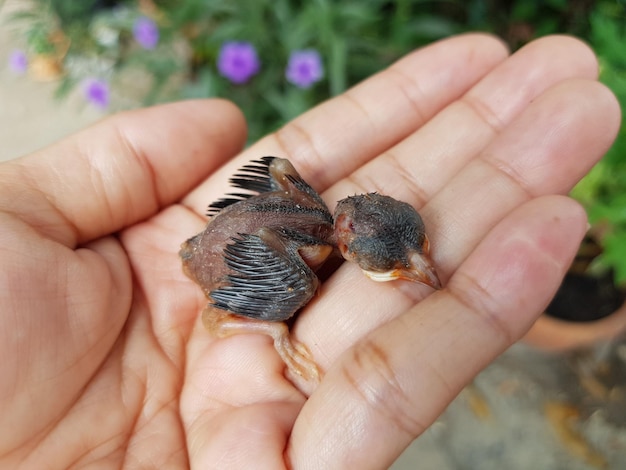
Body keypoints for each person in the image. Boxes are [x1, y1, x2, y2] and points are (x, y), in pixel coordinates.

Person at [0, 34, 619, 469]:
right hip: (218, 265)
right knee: (291, 293)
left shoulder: (321, 212)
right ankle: (249, 318)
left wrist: (312, 214)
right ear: (355, 246)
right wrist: (275, 327)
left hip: (237, 236)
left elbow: (277, 164)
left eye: (417, 252)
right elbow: (275, 201)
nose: (420, 268)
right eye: (405, 261)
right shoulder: (314, 256)